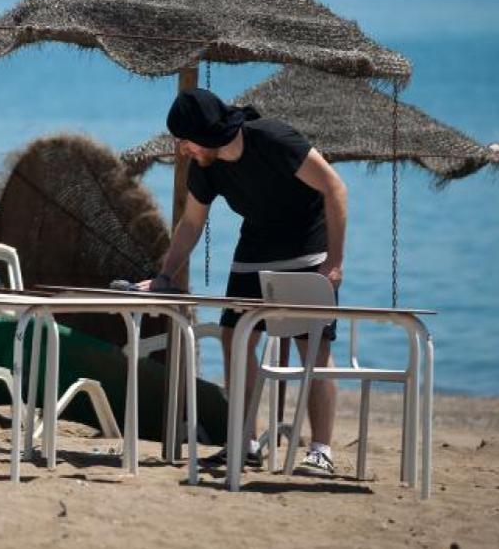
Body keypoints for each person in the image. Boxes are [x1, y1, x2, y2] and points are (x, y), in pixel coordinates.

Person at [138, 88, 347, 475]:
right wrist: (164, 275)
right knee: (235, 339)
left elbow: (334, 188)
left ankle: (320, 450)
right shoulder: (205, 167)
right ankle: (246, 442)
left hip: (308, 252)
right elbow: (191, 223)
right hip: (253, 253)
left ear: (207, 133)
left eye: (185, 141)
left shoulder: (272, 139)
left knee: (312, 348)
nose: (183, 150)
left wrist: (334, 262)